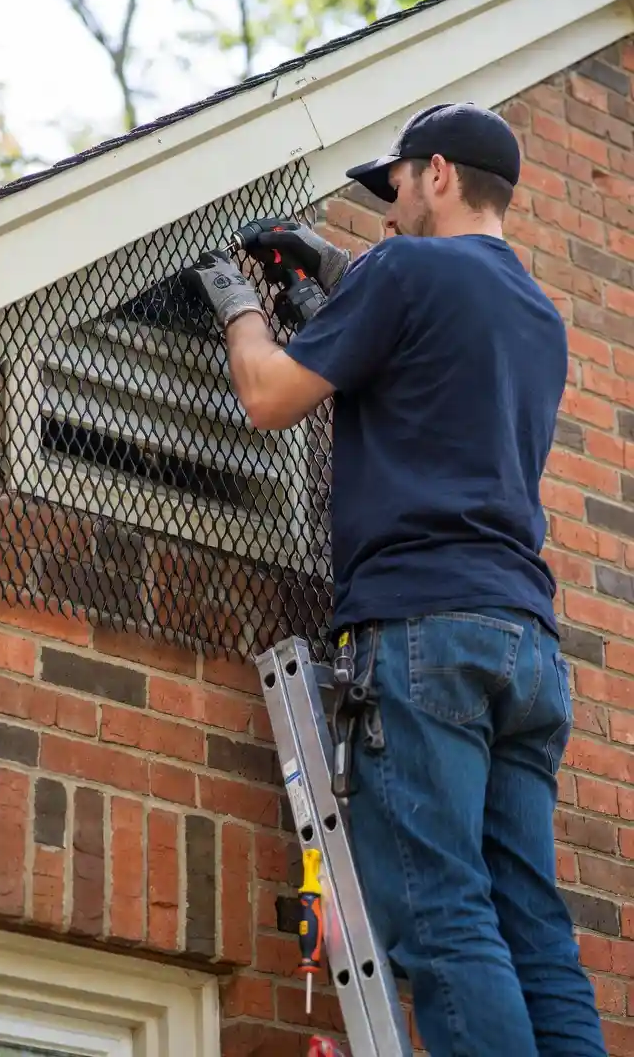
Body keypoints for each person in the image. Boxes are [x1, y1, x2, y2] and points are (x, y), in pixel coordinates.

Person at [185, 102, 607, 1057]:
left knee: (443, 914)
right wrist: (339, 292)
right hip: (527, 649)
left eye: (397, 187)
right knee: (533, 929)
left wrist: (239, 303)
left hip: (425, 632)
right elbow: (430, 365)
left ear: (441, 174)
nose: (385, 213)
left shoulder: (403, 269)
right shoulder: (540, 317)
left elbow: (267, 397)